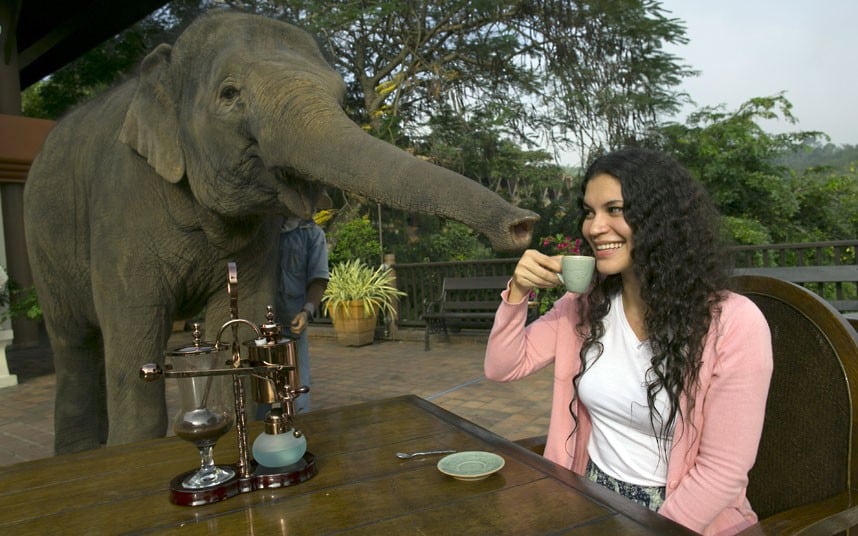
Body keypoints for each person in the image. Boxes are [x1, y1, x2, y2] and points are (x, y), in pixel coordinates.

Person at [484, 147, 772, 535]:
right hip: (590, 502)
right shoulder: (583, 307)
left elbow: (723, 472)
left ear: (661, 219)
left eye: (614, 210)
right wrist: (518, 292)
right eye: (589, 212)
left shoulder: (734, 324)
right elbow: (502, 367)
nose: (594, 227)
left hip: (684, 519)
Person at [275, 216, 329, 414]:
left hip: (292, 326)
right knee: (261, 398)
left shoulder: (313, 234)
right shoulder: (264, 232)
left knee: (297, 396)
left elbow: (319, 279)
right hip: (259, 329)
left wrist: (307, 312)